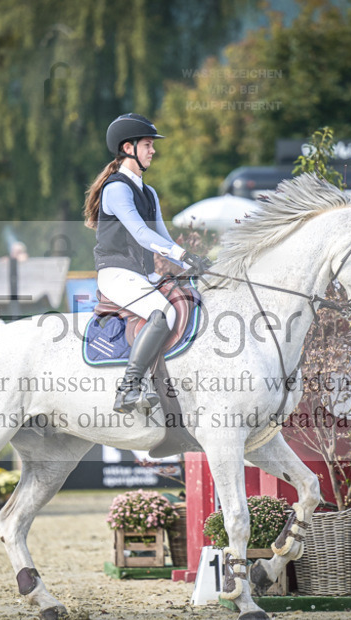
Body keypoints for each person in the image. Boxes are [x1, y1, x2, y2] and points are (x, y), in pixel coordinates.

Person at [82, 113, 210, 414]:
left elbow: (162, 238)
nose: (153, 151)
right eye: (148, 145)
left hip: (144, 275)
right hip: (116, 274)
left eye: (152, 145)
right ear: (129, 148)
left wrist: (192, 263)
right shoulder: (116, 188)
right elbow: (141, 234)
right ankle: (128, 388)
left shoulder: (148, 193)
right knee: (163, 313)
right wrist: (182, 256)